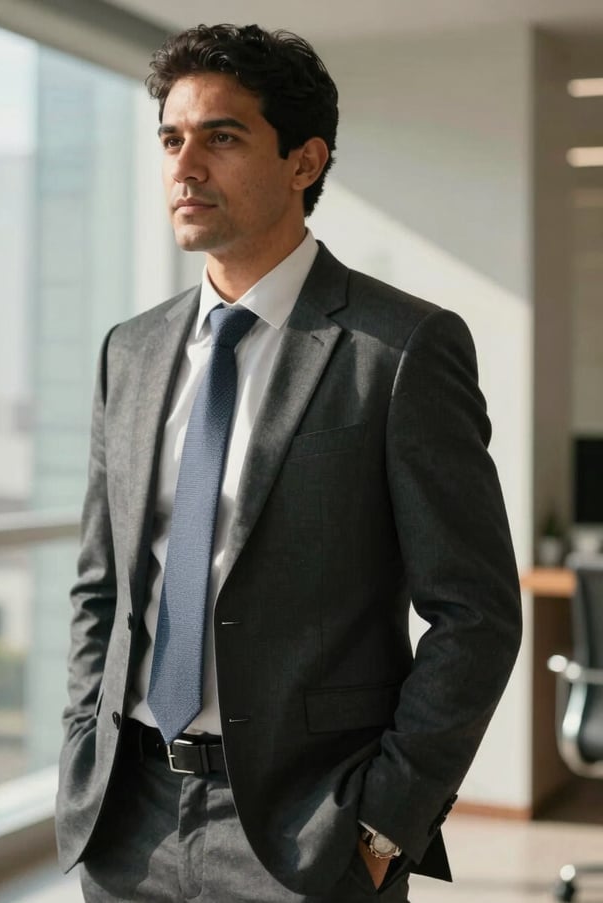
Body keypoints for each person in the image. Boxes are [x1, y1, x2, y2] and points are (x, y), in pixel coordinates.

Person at [55, 23, 522, 903]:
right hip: (128, 823)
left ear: (305, 162)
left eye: (221, 137)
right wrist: (84, 746)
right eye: (170, 138)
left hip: (308, 836)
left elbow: (476, 615)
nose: (185, 166)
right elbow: (100, 587)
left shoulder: (401, 349)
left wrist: (385, 825)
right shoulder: (132, 352)